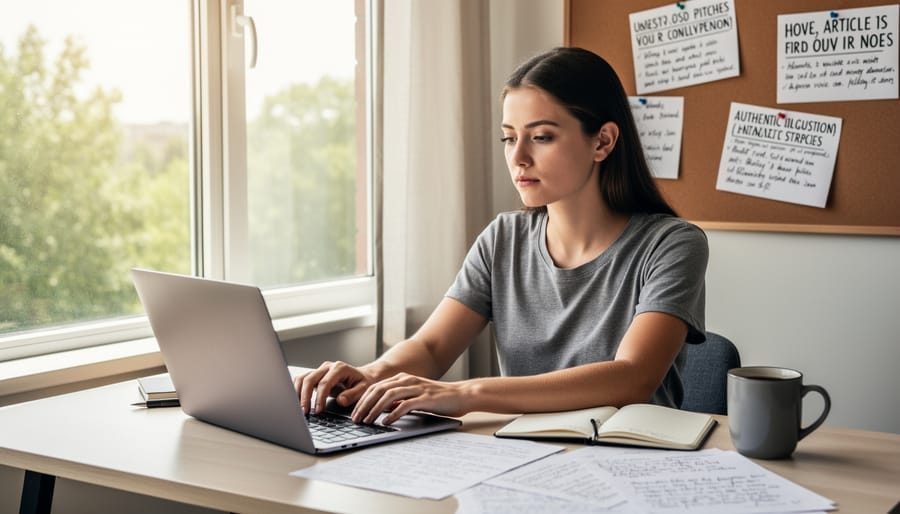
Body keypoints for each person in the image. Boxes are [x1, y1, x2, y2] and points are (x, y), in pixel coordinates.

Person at [295, 47, 708, 425]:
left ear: (602, 141)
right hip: (521, 452)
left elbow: (632, 378)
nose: (518, 157)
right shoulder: (503, 238)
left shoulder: (672, 244)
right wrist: (369, 376)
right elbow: (433, 348)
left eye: (542, 136)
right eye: (509, 137)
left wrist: (466, 392)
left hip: (631, 457)